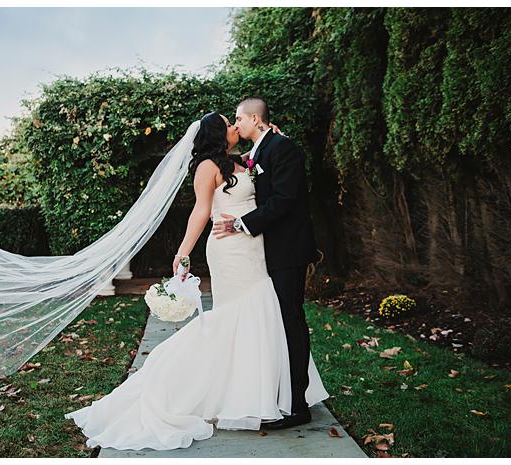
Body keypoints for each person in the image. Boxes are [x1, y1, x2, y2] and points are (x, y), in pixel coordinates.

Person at [63, 111, 329, 451]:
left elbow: (262, 166)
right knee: (236, 317)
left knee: (262, 316)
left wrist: (273, 136)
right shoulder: (207, 167)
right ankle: (175, 380)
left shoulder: (241, 161)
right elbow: (201, 211)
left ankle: (266, 394)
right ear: (218, 134)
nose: (235, 126)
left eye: (236, 121)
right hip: (231, 250)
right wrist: (183, 253)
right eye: (228, 124)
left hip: (255, 248)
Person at [212, 96, 323, 430]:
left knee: (290, 322)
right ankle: (282, 396)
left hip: (288, 250)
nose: (236, 125)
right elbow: (256, 176)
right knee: (278, 323)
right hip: (268, 251)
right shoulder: (260, 150)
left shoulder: (283, 148)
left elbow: (285, 199)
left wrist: (241, 224)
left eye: (239, 119)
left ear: (256, 119)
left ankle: (297, 406)